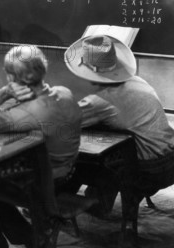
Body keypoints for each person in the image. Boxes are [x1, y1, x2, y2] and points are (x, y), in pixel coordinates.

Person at [0, 45, 82, 248]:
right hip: (69, 173)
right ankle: (18, 232)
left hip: (43, 184)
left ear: (11, 77)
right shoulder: (65, 93)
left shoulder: (27, 114)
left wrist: (3, 93)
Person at [65, 34, 174, 213]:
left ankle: (58, 205)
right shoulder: (139, 81)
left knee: (79, 159)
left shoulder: (100, 101)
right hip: (170, 158)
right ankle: (99, 199)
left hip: (148, 170)